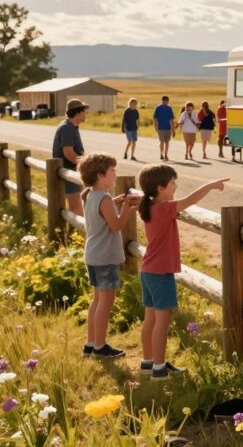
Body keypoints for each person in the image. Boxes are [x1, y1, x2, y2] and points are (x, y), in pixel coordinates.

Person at [137, 164, 228, 379]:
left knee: (150, 318)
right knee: (162, 320)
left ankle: (148, 361)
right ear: (160, 188)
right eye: (172, 183)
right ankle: (159, 369)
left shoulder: (149, 206)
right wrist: (211, 185)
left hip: (148, 270)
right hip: (160, 273)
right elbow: (190, 201)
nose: (175, 186)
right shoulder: (164, 208)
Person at [79, 152, 139, 359]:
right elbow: (117, 225)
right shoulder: (104, 198)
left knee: (97, 300)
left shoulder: (89, 195)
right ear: (99, 176)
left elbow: (102, 212)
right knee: (105, 302)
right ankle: (101, 346)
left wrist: (115, 202)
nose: (115, 175)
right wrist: (126, 208)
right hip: (106, 257)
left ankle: (91, 343)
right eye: (112, 171)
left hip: (93, 255)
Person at [52, 98, 88, 216]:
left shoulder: (70, 126)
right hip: (68, 174)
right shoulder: (67, 128)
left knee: (78, 209)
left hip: (71, 173)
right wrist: (84, 165)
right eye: (84, 111)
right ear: (78, 112)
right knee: (77, 210)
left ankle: (74, 233)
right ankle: (74, 234)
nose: (85, 113)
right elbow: (68, 152)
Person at [153, 96, 175, 161]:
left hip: (168, 128)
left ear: (168, 101)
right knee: (162, 142)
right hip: (160, 128)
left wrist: (173, 130)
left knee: (167, 142)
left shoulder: (169, 108)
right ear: (162, 101)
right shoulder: (158, 108)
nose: (165, 102)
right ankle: (161, 154)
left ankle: (165, 155)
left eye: (166, 101)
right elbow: (155, 118)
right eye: (164, 101)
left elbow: (171, 120)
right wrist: (156, 126)